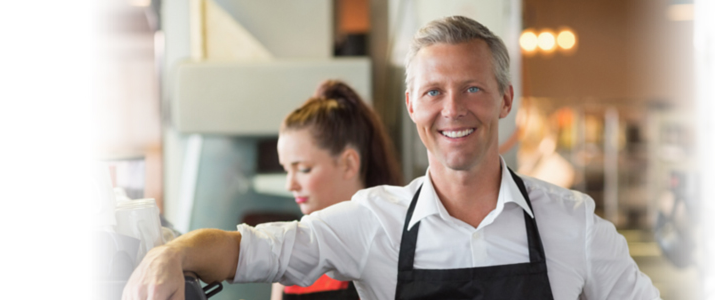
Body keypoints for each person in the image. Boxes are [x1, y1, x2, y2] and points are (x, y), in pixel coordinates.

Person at [123, 16, 660, 300]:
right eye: (433, 93)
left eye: (472, 89)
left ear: (504, 99)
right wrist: (170, 255)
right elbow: (258, 251)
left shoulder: (573, 223)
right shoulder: (373, 221)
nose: (453, 110)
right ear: (411, 106)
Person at [270, 80, 403, 300]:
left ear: (348, 164)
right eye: (286, 170)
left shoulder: (392, 245)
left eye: (303, 169)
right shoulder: (291, 253)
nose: (290, 185)